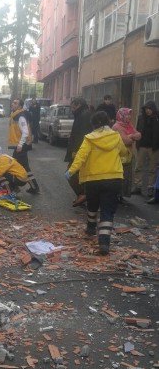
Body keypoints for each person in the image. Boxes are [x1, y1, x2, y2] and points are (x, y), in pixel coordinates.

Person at [65, 111, 128, 256]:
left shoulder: (89, 138)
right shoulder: (116, 136)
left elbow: (81, 156)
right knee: (107, 211)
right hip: (114, 179)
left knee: (92, 205)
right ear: (108, 123)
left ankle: (91, 228)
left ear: (93, 124)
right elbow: (123, 153)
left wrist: (71, 171)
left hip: (93, 180)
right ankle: (104, 242)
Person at [65, 97, 92, 206]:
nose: (72, 109)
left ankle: (82, 194)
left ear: (79, 105)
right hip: (82, 150)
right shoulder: (83, 114)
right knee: (80, 174)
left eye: (73, 107)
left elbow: (81, 135)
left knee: (70, 173)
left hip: (80, 150)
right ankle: (84, 195)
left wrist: (75, 151)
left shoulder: (84, 116)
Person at [8, 98, 39, 194]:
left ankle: (14, 187)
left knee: (15, 166)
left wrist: (20, 145)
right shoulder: (15, 115)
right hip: (20, 146)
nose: (13, 104)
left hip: (21, 146)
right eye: (13, 102)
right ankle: (33, 187)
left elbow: (25, 132)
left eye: (15, 103)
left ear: (20, 106)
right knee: (23, 167)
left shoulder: (20, 116)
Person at [112, 108, 141, 199]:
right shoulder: (117, 126)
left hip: (128, 155)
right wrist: (132, 136)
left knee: (127, 176)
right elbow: (126, 141)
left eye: (130, 115)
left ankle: (122, 195)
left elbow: (139, 135)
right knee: (119, 176)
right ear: (121, 116)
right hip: (119, 155)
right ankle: (116, 195)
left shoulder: (128, 125)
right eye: (127, 115)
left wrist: (130, 136)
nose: (129, 117)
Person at [132, 101, 159, 197]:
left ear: (153, 109)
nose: (148, 111)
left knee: (152, 169)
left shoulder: (157, 118)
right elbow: (137, 130)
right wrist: (137, 144)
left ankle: (151, 187)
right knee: (138, 167)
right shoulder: (140, 118)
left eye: (150, 109)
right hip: (142, 146)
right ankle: (137, 186)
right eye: (146, 109)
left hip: (154, 147)